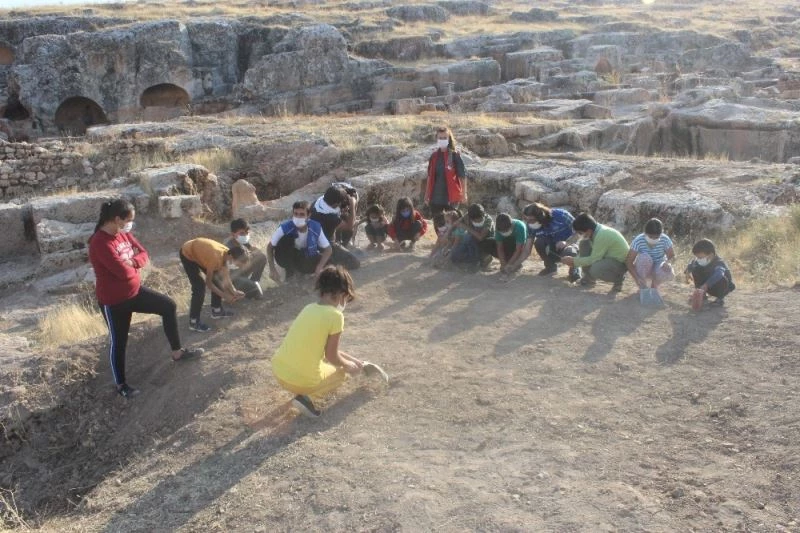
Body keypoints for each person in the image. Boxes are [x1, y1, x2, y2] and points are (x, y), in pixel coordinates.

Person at [88, 199, 203, 399]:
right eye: (129, 220)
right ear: (117, 219)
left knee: (168, 306)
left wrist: (131, 261)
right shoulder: (99, 242)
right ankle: (121, 385)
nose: (130, 224)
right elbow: (121, 272)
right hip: (114, 302)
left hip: (135, 292)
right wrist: (131, 265)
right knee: (119, 341)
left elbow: (143, 254)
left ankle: (177, 352)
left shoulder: (122, 234)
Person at [271, 265, 364, 418]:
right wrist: (347, 365)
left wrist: (354, 360)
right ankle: (307, 398)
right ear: (342, 293)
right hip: (299, 382)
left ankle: (304, 392)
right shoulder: (335, 316)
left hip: (279, 372)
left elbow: (325, 349)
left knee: (326, 365)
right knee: (341, 373)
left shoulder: (308, 308)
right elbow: (332, 356)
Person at [179, 237, 249, 332]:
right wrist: (225, 296)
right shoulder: (215, 258)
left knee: (218, 280)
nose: (237, 267)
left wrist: (234, 291)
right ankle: (193, 322)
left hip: (201, 254)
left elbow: (226, 277)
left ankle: (216, 311)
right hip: (188, 253)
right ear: (232, 258)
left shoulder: (227, 255)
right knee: (199, 288)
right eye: (238, 265)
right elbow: (209, 283)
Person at [267, 201, 333, 282]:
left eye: (302, 214)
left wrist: (319, 267)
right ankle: (289, 271)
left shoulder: (315, 227)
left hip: (305, 256)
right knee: (287, 239)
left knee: (329, 262)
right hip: (286, 256)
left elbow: (328, 249)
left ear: (308, 215)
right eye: (296, 214)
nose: (298, 217)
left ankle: (304, 273)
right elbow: (270, 247)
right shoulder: (285, 227)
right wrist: (272, 268)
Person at [562, 213, 629, 291]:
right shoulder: (596, 231)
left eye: (580, 233)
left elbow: (593, 259)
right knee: (584, 244)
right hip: (608, 258)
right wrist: (575, 261)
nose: (580, 235)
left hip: (620, 263)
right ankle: (589, 279)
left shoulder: (602, 235)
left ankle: (619, 279)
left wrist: (574, 261)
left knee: (595, 269)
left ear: (589, 230)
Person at [310, 185, 361, 270]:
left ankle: (337, 252)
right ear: (336, 204)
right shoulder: (330, 217)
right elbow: (349, 226)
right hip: (325, 245)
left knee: (343, 218)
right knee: (355, 263)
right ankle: (329, 262)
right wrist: (352, 205)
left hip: (317, 238)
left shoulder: (318, 203)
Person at [424, 126, 467, 216]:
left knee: (451, 226)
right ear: (437, 139)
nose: (442, 140)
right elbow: (429, 176)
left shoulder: (455, 156)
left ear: (449, 139)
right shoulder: (434, 156)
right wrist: (426, 195)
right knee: (438, 226)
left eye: (445, 138)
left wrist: (464, 194)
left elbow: (462, 176)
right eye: (440, 138)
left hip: (451, 198)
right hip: (435, 198)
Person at [625, 218, 675, 290]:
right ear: (645, 233)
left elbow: (672, 256)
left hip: (658, 266)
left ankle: (654, 285)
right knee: (645, 257)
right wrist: (637, 278)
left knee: (668, 272)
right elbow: (628, 261)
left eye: (656, 237)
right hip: (644, 267)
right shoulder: (638, 240)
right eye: (651, 237)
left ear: (661, 234)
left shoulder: (665, 239)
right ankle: (643, 285)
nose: (653, 239)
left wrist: (668, 262)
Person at [223, 218, 267, 299]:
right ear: (233, 234)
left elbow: (253, 252)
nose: (245, 236)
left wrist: (254, 252)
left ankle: (253, 283)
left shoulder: (243, 241)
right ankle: (246, 289)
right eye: (242, 233)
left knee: (261, 257)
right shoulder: (228, 248)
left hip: (242, 272)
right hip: (233, 279)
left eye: (247, 233)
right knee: (256, 291)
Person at [685, 238, 735, 307]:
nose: (698, 259)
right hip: (706, 287)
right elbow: (692, 263)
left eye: (700, 257)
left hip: (720, 288)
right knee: (695, 269)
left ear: (710, 255)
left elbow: (719, 274)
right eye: (697, 257)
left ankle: (720, 299)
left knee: (722, 278)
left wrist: (706, 285)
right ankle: (701, 294)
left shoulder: (719, 263)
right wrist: (687, 271)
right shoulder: (699, 261)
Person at [449, 203, 495, 270]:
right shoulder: (468, 216)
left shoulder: (488, 221)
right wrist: (448, 233)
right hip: (471, 244)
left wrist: (466, 227)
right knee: (454, 256)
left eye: (478, 219)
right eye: (474, 220)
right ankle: (473, 261)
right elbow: (456, 223)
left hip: (485, 245)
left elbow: (481, 237)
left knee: (468, 237)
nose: (476, 221)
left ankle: (477, 261)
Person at [333, 182, 359, 248]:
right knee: (338, 222)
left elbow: (352, 222)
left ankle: (349, 240)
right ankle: (337, 239)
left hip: (349, 200)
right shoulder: (334, 199)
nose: (346, 208)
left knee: (353, 222)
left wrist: (352, 205)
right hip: (337, 200)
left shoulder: (353, 198)